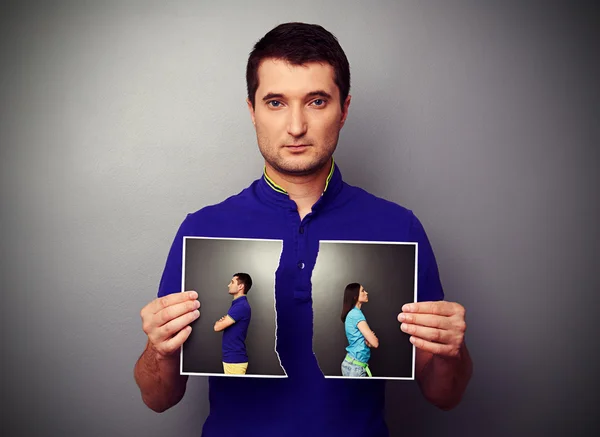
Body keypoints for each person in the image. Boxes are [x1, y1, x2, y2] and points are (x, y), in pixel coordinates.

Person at [134, 22, 473, 436]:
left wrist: (453, 352)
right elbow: (158, 397)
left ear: (344, 109)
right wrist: (158, 348)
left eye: (316, 101)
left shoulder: (398, 228)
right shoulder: (202, 230)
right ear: (251, 109)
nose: (296, 126)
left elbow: (445, 394)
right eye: (275, 102)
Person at [213, 273, 252, 375]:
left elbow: (217, 327)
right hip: (232, 359)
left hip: (235, 361)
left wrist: (221, 322)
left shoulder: (241, 306)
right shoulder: (237, 305)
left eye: (232, 282)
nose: (228, 285)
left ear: (240, 286)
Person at [341, 283, 378, 377]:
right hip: (355, 368)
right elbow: (375, 343)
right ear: (355, 296)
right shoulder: (356, 315)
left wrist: (369, 341)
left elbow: (369, 342)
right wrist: (371, 339)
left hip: (351, 364)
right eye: (362, 291)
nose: (366, 293)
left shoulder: (353, 313)